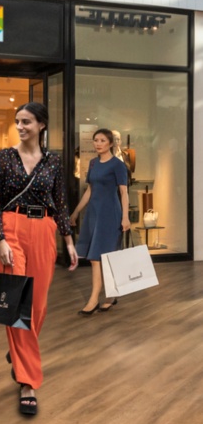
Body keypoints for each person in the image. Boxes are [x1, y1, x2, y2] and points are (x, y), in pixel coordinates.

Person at [0, 102, 78, 415]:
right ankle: (28, 381)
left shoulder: (53, 160)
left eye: (26, 122)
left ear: (41, 125)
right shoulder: (2, 157)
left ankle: (19, 351)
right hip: (11, 227)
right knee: (15, 302)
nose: (21, 126)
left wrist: (68, 240)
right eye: (17, 121)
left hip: (44, 229)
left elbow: (61, 202)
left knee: (37, 305)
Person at [70, 128, 130, 315]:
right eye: (96, 140)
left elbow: (124, 192)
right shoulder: (93, 163)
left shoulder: (117, 165)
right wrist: (75, 212)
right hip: (94, 215)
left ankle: (94, 298)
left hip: (110, 214)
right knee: (98, 257)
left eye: (102, 140)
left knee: (99, 257)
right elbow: (90, 190)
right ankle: (110, 296)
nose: (98, 143)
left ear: (111, 143)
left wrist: (126, 217)